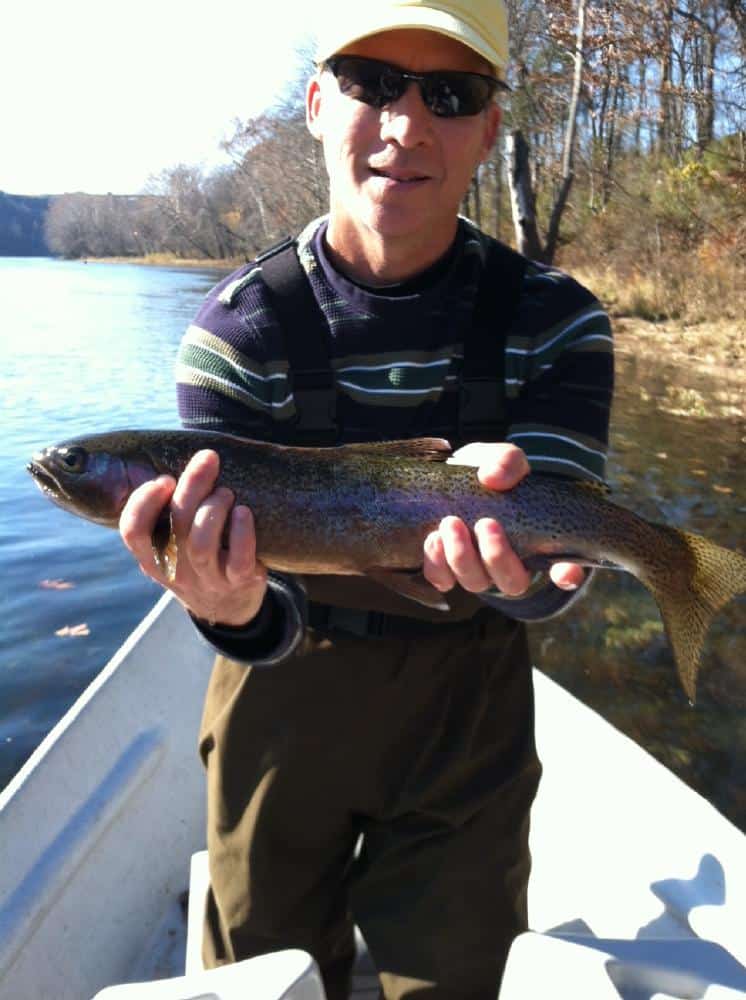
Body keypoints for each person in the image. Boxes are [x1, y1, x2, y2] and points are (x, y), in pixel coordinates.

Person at [119, 1, 614, 996]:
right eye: (373, 83)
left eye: (449, 94)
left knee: (453, 981)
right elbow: (258, 611)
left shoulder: (557, 322)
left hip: (468, 707)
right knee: (266, 975)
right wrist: (229, 608)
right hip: (282, 690)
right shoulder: (237, 334)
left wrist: (525, 574)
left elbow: (553, 574)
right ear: (315, 103)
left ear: (489, 127)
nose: (406, 123)